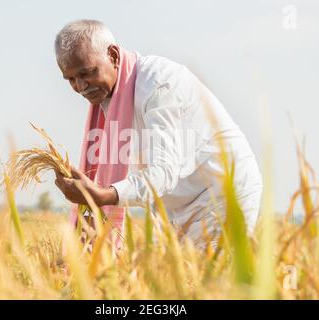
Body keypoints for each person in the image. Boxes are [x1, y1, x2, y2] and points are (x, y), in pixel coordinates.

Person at [53, 19, 263, 249]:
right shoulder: (107, 101)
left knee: (211, 281)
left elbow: (163, 171)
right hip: (175, 207)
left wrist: (103, 195)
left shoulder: (158, 85)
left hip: (222, 194)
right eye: (71, 79)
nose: (81, 86)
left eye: (87, 72)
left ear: (113, 55)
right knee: (173, 282)